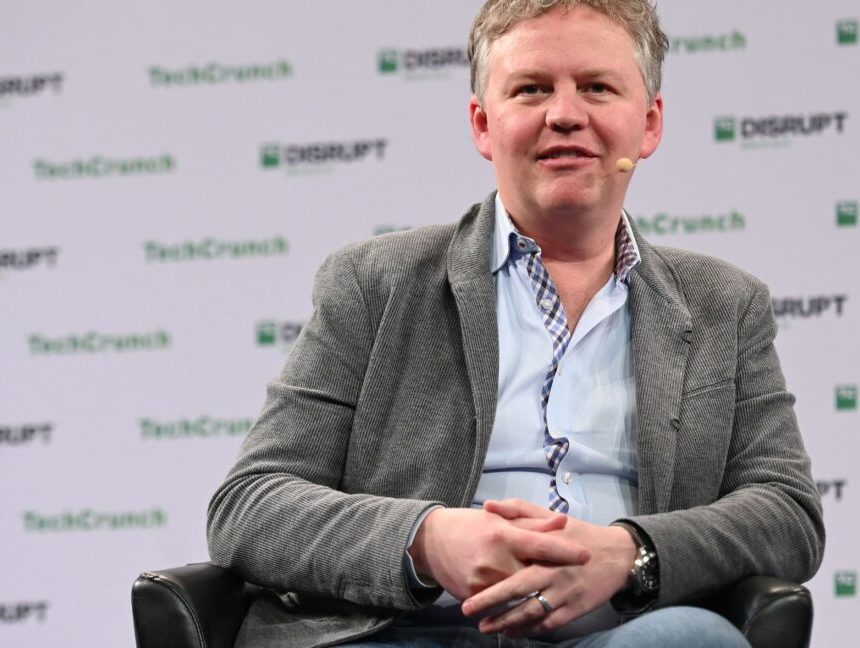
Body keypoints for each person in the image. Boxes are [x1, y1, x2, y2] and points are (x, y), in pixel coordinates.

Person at [207, 1, 824, 646]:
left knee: (691, 640)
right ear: (482, 124)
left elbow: (787, 515)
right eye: (531, 89)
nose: (564, 113)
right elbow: (250, 505)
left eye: (597, 87)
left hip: (624, 633)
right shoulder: (375, 283)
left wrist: (631, 553)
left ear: (648, 125)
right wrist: (428, 540)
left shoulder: (725, 304)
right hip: (412, 630)